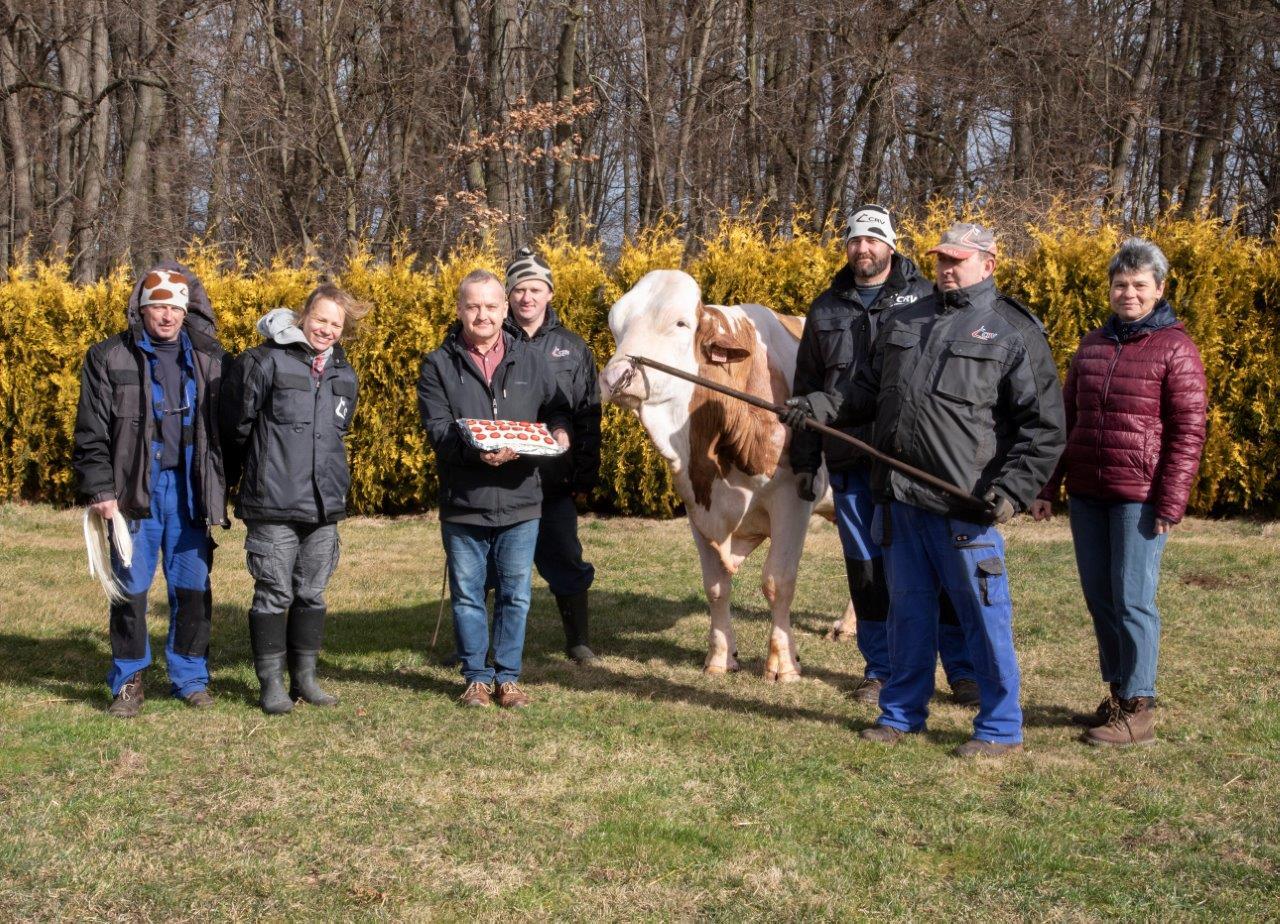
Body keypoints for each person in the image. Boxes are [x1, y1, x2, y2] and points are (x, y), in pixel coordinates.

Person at [783, 222, 1066, 757]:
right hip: (900, 501)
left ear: (989, 262)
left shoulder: (1012, 331)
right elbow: (862, 393)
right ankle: (901, 714)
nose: (946, 269)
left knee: (983, 620)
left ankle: (1000, 728)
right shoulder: (905, 320)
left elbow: (1044, 428)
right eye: (941, 260)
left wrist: (1011, 492)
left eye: (958, 260)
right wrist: (815, 408)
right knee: (906, 616)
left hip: (965, 506)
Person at [790, 205, 978, 706]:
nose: (863, 248)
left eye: (873, 240)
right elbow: (808, 388)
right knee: (867, 569)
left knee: (936, 566)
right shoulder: (826, 308)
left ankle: (962, 670)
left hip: (914, 459)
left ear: (891, 245)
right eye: (855, 240)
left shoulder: (925, 297)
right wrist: (806, 462)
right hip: (851, 460)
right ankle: (881, 671)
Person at [1031, 238, 1206, 747]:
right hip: (1088, 492)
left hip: (1140, 497)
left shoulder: (1177, 348)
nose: (1127, 293)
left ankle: (1140, 704)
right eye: (1119, 284)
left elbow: (1189, 429)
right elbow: (1066, 419)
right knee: (1100, 599)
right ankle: (1116, 694)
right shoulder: (1092, 345)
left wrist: (1171, 501)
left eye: (1138, 285)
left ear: (1159, 291)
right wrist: (1049, 485)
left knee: (1133, 599)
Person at [72, 264, 229, 716]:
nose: (166, 316)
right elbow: (90, 432)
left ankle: (190, 676)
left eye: (175, 307)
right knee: (132, 590)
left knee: (193, 587)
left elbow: (231, 428)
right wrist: (101, 488)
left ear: (187, 310)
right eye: (157, 306)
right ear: (141, 309)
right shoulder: (107, 357)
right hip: (132, 491)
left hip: (190, 488)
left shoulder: (209, 357)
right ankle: (128, 680)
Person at [418, 270, 572, 709]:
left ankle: (508, 677)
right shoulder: (438, 364)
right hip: (464, 501)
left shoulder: (532, 359)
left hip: (522, 497)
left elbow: (557, 409)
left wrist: (560, 434)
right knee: (468, 594)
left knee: (515, 593)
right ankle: (476, 679)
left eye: (490, 306)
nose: (482, 315)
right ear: (460, 309)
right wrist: (477, 454)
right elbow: (438, 430)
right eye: (473, 306)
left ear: (504, 310)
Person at [220, 284, 368, 715]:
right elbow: (237, 427)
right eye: (320, 319)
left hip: (324, 505)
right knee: (273, 593)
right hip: (274, 501)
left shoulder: (344, 374)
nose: (326, 329)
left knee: (313, 593)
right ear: (304, 315)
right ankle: (271, 683)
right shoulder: (266, 361)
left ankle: (304, 677)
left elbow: (337, 434)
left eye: (335, 324)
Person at [503, 247, 603, 663]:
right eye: (519, 290)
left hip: (554, 480)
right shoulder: (491, 338)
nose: (527, 298)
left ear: (550, 293)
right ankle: (480, 643)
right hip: (503, 477)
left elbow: (587, 414)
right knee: (493, 567)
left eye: (535, 289)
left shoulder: (572, 348)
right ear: (508, 296)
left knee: (565, 557)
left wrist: (585, 475)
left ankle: (577, 640)